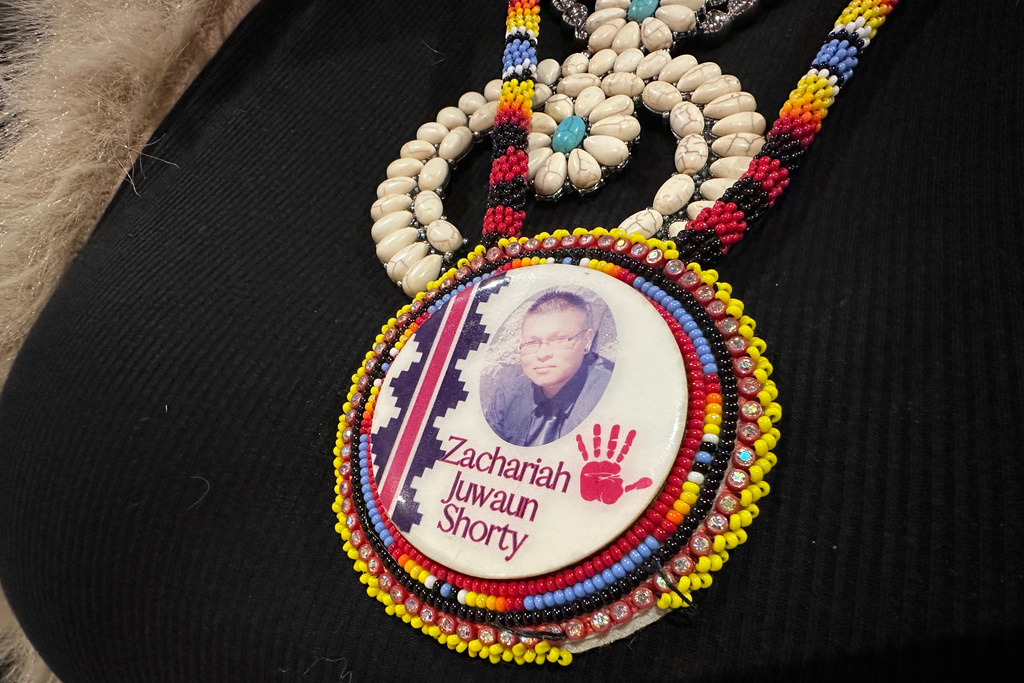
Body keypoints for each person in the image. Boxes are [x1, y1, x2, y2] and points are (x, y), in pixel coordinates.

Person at [485, 290, 614, 447]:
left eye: (558, 340)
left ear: (587, 340)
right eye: (532, 343)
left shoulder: (612, 394)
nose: (542, 354)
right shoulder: (508, 396)